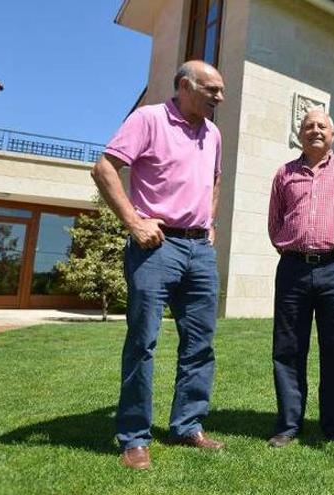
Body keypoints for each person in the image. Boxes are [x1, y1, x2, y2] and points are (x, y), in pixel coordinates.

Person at [92, 60, 226, 470]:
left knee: (200, 344)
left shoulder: (214, 133)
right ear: (185, 86)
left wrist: (211, 222)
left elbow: (215, 179)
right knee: (143, 342)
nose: (220, 97)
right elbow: (103, 167)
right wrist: (133, 221)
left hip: (199, 249)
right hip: (156, 246)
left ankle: (188, 425)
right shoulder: (148, 119)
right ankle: (134, 436)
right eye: (212, 90)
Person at [267, 108, 334, 447]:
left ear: (333, 134)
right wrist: (295, 249)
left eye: (321, 126)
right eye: (308, 125)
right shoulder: (284, 174)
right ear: (300, 134)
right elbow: (275, 222)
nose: (315, 130)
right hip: (293, 270)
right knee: (288, 348)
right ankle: (288, 424)